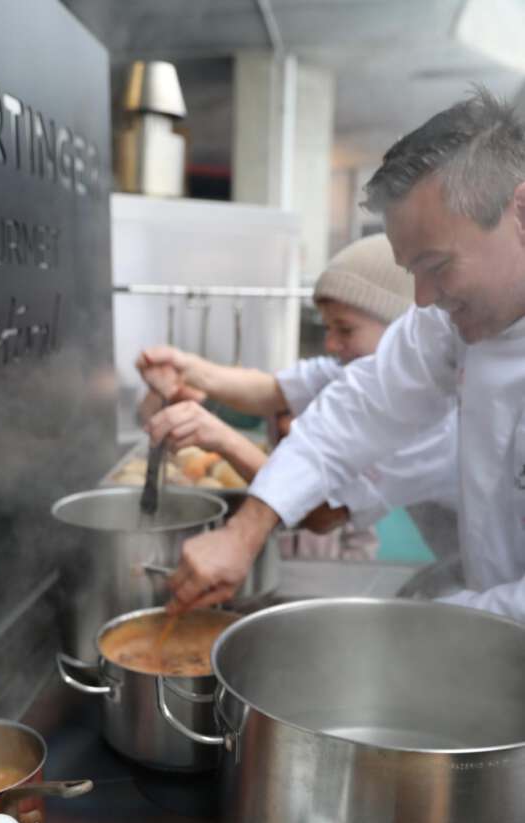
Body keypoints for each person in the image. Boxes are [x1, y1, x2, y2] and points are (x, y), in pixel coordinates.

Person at [163, 86, 525, 620]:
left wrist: (438, 627)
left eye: (438, 265)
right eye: (412, 272)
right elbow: (355, 410)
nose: (422, 299)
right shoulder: (448, 322)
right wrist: (244, 533)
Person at [138, 233, 457, 561]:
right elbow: (271, 390)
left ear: (403, 332)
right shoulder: (356, 370)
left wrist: (224, 439)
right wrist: (187, 368)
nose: (331, 344)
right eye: (328, 329)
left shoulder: (433, 420)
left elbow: (321, 512)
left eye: (345, 330)